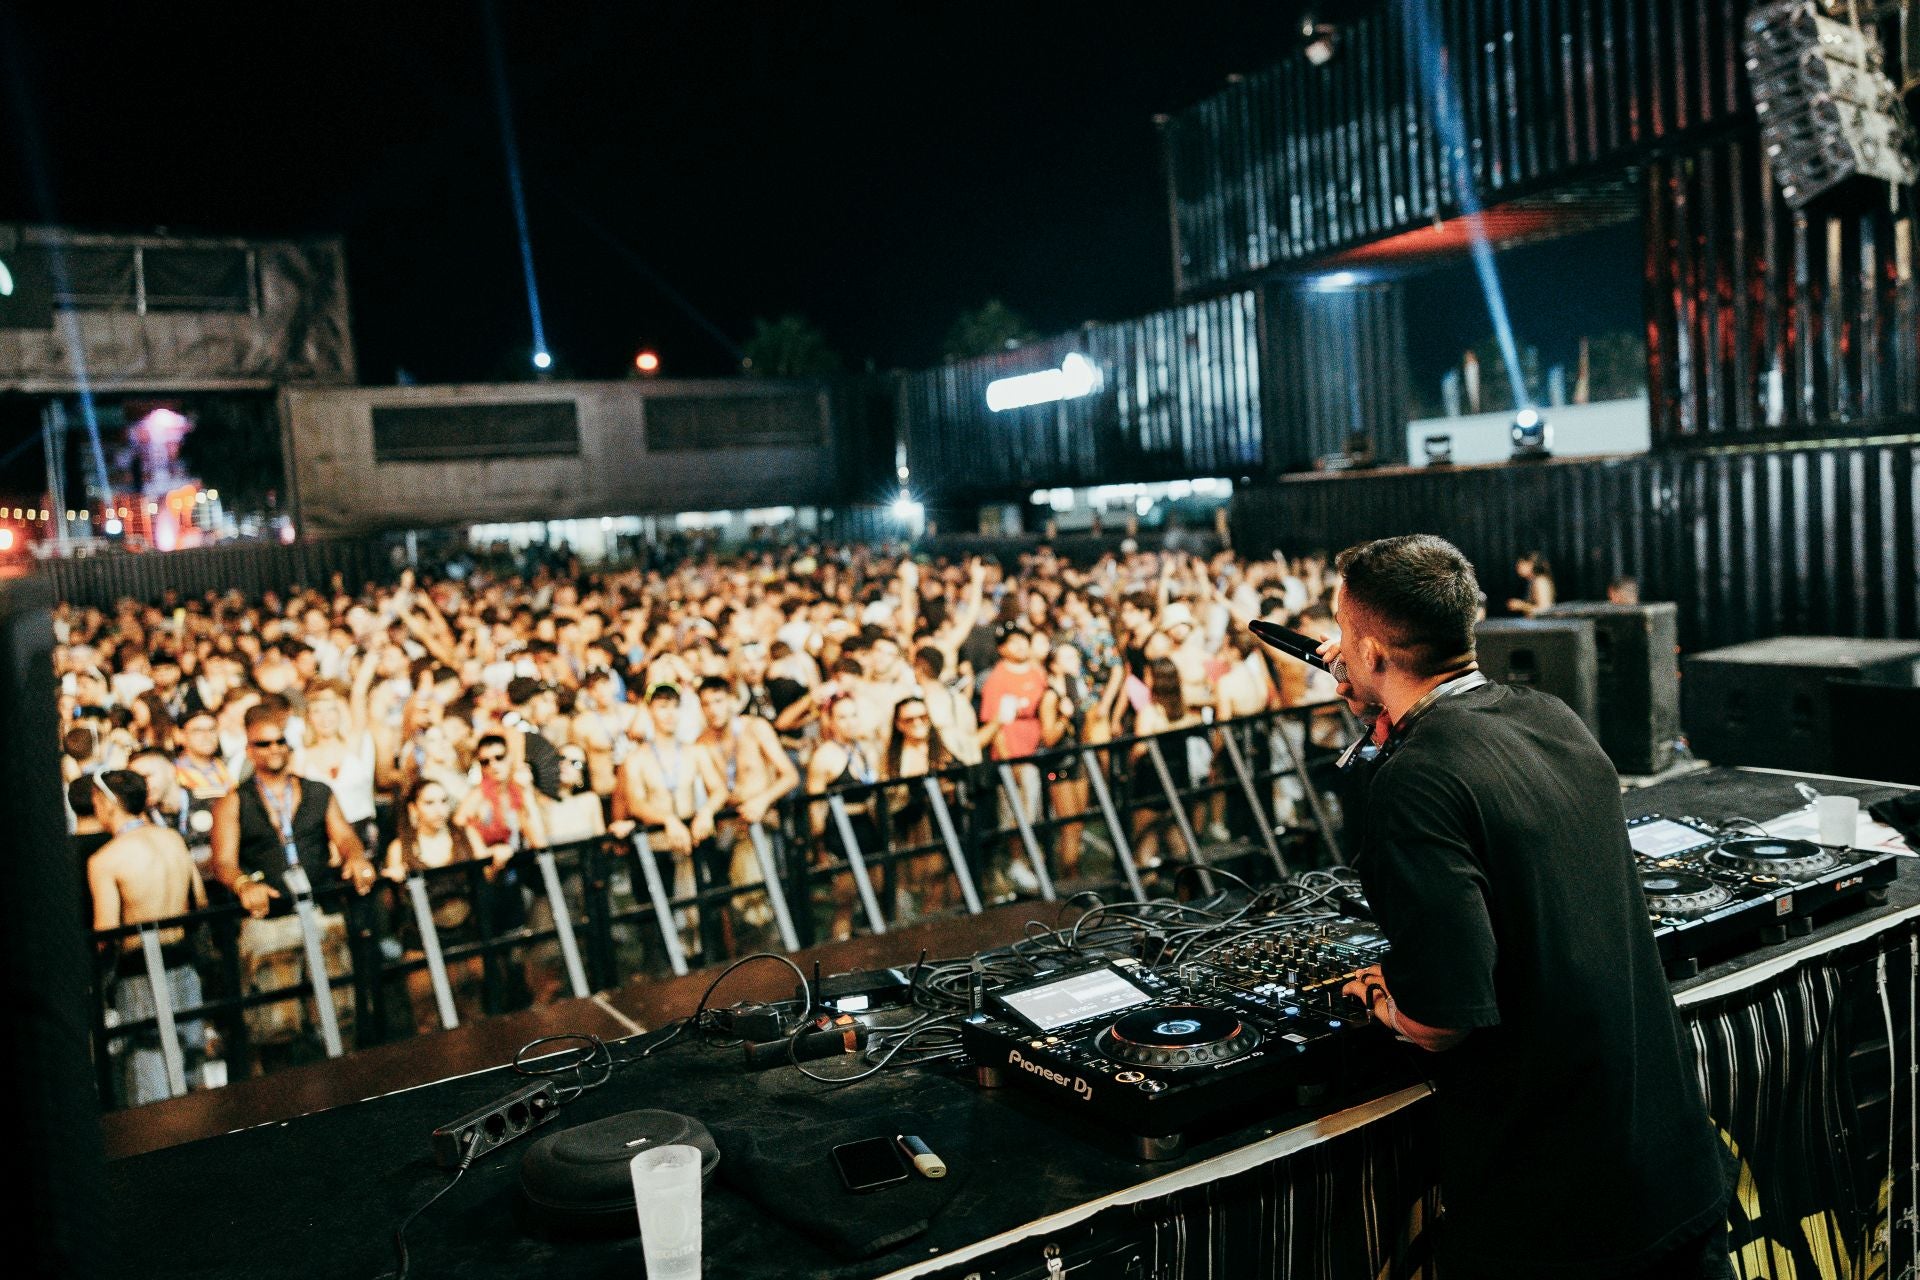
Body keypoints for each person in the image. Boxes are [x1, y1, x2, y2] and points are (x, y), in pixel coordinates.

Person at [1314, 535, 1727, 1279]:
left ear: (1372, 651)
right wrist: (1376, 702)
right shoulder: (1550, 716)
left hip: (1564, 1220)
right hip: (1670, 1172)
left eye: (1343, 635)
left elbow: (1442, 1020)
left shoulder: (1415, 782)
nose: (1336, 651)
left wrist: (1372, 990)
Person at [208, 704, 377, 1053]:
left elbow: (343, 835)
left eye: (279, 742)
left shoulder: (317, 791)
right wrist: (243, 884)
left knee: (340, 1011)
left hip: (321, 909)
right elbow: (222, 862)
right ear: (250, 750)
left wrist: (356, 855)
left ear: (289, 745)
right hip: (270, 920)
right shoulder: (234, 802)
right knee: (277, 1023)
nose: (273, 749)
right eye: (263, 743)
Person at [88, 770, 207, 1106]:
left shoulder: (106, 860)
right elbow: (199, 901)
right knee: (190, 1065)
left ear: (106, 803)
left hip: (140, 975)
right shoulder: (172, 839)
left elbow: (106, 932)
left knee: (150, 1079)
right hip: (183, 962)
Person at [382, 778, 488, 1033]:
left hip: (466, 934)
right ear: (413, 808)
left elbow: (487, 876)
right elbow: (389, 906)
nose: (439, 809)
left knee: (473, 1014)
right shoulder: (400, 848)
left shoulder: (465, 836)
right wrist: (393, 882)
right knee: (427, 1020)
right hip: (421, 942)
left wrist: (496, 859)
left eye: (443, 801)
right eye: (429, 803)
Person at [1507, 551, 1556, 616]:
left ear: (1530, 564)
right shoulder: (1532, 581)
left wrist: (1521, 605)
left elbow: (1545, 609)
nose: (1517, 567)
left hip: (1542, 624)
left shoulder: (1540, 581)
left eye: (1521, 564)